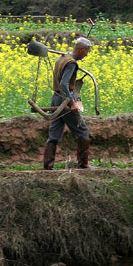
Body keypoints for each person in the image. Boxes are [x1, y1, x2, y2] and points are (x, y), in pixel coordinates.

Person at [44, 37, 96, 170]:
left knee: (54, 133)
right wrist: (72, 102)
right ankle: (83, 164)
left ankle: (48, 166)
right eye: (86, 51)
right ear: (80, 49)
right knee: (83, 131)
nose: (87, 54)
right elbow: (63, 84)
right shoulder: (71, 63)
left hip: (56, 98)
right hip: (65, 101)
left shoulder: (63, 58)